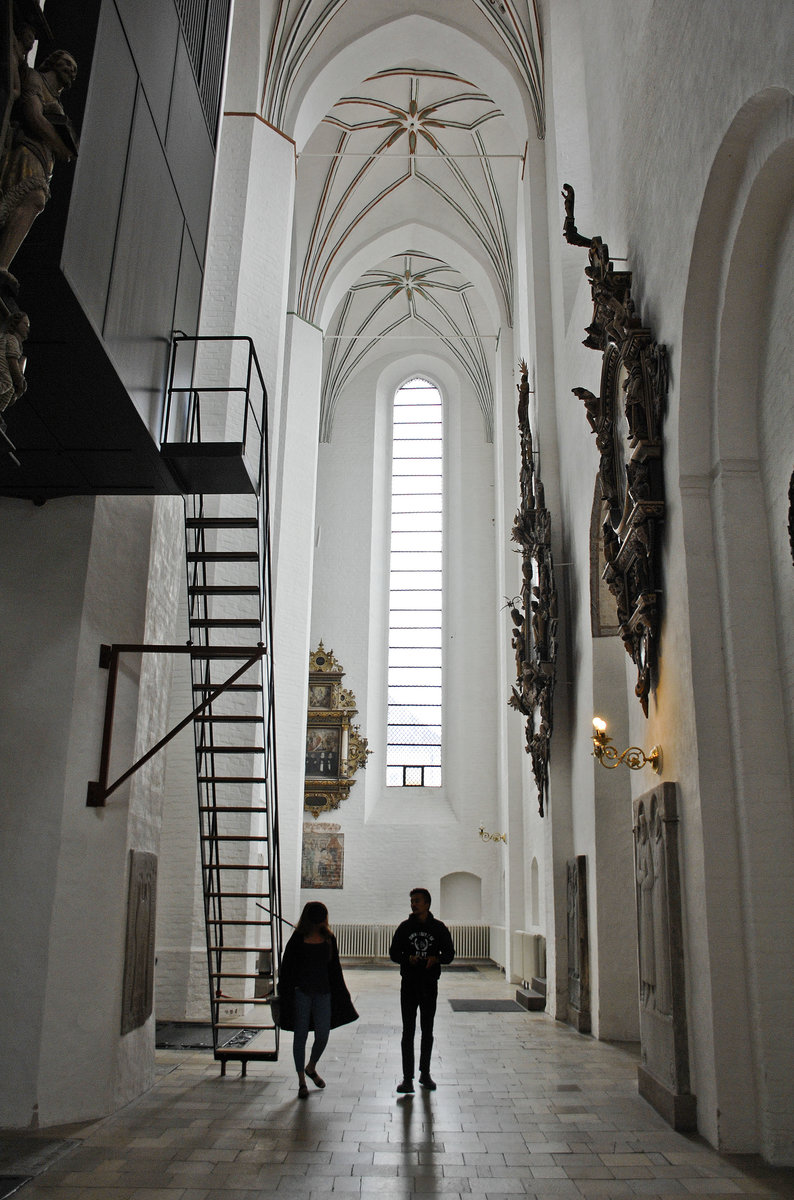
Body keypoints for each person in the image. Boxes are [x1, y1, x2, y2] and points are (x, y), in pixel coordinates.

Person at [0, 49, 78, 275]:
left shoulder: (58, 104)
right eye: (66, 62)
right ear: (52, 63)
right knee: (33, 198)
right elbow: (33, 116)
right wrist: (61, 146)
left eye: (74, 69)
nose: (71, 69)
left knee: (33, 202)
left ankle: (3, 264)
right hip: (25, 150)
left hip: (43, 162)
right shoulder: (35, 78)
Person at [277, 901, 358, 1098]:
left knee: (322, 1034)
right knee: (300, 1035)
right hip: (301, 993)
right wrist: (284, 991)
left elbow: (334, 969)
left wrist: (342, 994)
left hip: (323, 992)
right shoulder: (298, 939)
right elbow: (287, 967)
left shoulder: (328, 938)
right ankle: (301, 1081)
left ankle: (311, 1067)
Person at [389, 887, 455, 1092]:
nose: (413, 904)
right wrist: (408, 958)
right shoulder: (404, 927)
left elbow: (450, 954)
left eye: (417, 900)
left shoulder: (438, 928)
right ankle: (407, 1078)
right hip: (409, 984)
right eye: (412, 900)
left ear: (427, 904)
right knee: (408, 1031)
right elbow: (393, 953)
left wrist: (435, 959)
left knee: (427, 1030)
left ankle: (424, 1074)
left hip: (428, 985)